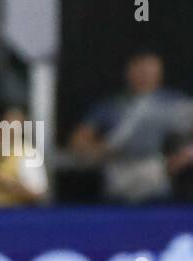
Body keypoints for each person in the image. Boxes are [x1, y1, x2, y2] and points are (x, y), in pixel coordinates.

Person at [68, 52, 189, 204]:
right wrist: (98, 151)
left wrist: (183, 157)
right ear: (129, 72)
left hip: (155, 174)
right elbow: (79, 139)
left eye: (150, 72)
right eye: (140, 70)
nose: (145, 76)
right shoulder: (111, 105)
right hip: (119, 173)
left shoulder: (174, 103)